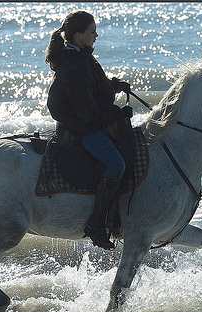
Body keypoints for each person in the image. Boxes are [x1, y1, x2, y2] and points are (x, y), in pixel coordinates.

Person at [45, 10, 133, 250]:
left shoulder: (81, 57)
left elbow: (92, 89)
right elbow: (89, 112)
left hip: (83, 122)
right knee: (117, 165)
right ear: (78, 34)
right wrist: (118, 114)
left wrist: (114, 86)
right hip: (80, 128)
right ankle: (96, 224)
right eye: (92, 31)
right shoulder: (76, 64)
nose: (97, 35)